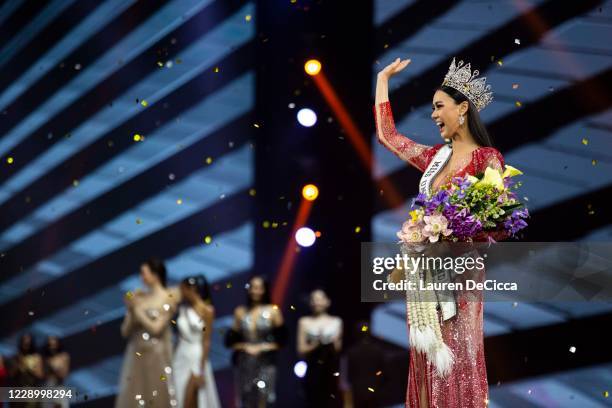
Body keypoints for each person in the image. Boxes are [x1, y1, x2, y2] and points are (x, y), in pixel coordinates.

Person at [374, 57, 505, 407]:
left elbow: (498, 220)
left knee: (459, 355)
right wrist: (382, 79)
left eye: (439, 106)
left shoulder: (487, 159)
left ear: (462, 108)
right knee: (428, 355)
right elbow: (388, 136)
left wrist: (449, 230)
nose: (433, 115)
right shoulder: (435, 156)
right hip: (426, 275)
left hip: (461, 274)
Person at [115, 258, 180, 408]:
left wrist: (136, 310)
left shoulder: (168, 297)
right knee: (135, 397)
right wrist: (131, 309)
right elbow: (125, 331)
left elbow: (156, 329)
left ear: (155, 274)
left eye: (144, 273)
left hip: (157, 355)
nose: (141, 277)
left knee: (157, 395)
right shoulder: (139, 298)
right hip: (136, 354)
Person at [225, 276, 286, 408]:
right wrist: (245, 347)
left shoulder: (273, 311)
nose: (255, 291)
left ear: (264, 290)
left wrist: (263, 347)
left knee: (264, 396)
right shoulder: (240, 311)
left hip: (266, 362)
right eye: (252, 287)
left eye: (258, 288)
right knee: (245, 396)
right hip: (244, 362)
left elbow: (283, 339)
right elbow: (229, 340)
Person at [173, 275, 220, 408]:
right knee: (178, 394)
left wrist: (201, 369)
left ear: (191, 289)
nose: (180, 292)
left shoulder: (207, 311)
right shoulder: (182, 309)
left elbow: (206, 340)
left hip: (196, 355)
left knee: (194, 398)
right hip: (180, 355)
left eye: (182, 289)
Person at [297, 289, 343, 407]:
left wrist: (331, 342)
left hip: (330, 368)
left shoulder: (336, 321)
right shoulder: (304, 322)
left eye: (320, 299)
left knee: (329, 400)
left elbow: (338, 349)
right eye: (314, 299)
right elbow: (300, 350)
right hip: (312, 368)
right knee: (312, 400)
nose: (316, 302)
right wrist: (316, 343)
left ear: (327, 301)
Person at [8, 333, 44, 407]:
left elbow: (40, 375)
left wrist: (31, 369)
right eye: (24, 342)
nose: (26, 344)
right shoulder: (16, 357)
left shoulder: (36, 357)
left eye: (28, 343)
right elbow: (11, 375)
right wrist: (19, 364)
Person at [41, 336, 70, 408]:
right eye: (50, 345)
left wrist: (56, 368)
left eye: (54, 345)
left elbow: (64, 374)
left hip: (59, 387)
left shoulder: (64, 356)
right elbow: (42, 375)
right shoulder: (44, 358)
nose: (52, 347)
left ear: (58, 345)